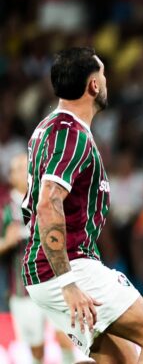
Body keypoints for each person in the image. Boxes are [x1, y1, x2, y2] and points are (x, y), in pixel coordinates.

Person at [21, 47, 143, 362]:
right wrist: (68, 282)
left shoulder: (47, 130)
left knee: (123, 361)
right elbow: (48, 203)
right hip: (68, 267)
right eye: (103, 75)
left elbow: (30, 210)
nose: (106, 81)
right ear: (93, 85)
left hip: (48, 269)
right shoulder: (70, 133)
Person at [2, 153, 84, 364]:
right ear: (11, 177)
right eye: (19, 168)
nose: (25, 171)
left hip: (56, 283)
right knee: (37, 350)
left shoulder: (47, 197)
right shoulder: (5, 210)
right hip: (23, 290)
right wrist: (8, 242)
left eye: (27, 166)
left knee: (66, 337)